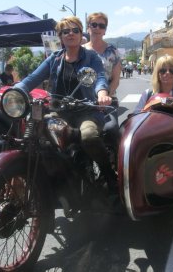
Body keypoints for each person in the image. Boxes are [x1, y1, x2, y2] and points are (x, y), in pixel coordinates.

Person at [13, 16, 117, 189]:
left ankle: (109, 175)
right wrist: (14, 91)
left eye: (75, 30)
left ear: (80, 33)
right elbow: (33, 78)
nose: (71, 34)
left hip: (86, 112)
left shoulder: (91, 57)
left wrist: (102, 94)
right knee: (38, 137)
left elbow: (99, 78)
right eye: (65, 31)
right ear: (60, 36)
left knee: (89, 136)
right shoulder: (54, 58)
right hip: (59, 112)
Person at [135, 55, 173, 130]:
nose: (167, 73)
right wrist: (143, 115)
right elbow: (135, 118)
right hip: (152, 137)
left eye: (172, 70)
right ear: (157, 73)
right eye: (163, 70)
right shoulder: (147, 94)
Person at [82, 12, 122, 96]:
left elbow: (116, 80)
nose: (97, 28)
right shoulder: (80, 50)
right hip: (83, 101)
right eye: (94, 24)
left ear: (105, 30)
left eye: (102, 26)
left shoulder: (113, 51)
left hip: (107, 100)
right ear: (88, 28)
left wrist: (104, 97)